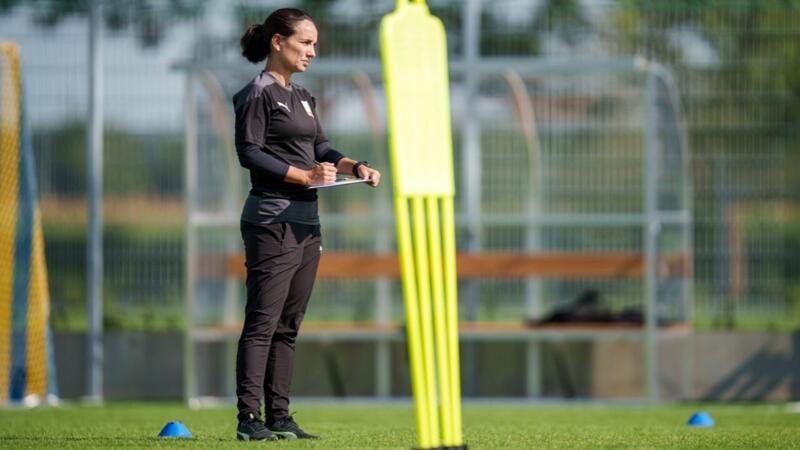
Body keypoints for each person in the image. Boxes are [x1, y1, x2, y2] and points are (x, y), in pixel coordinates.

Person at [232, 7, 381, 442]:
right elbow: (250, 152)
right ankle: (249, 420)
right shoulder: (256, 93)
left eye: (315, 44)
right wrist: (304, 176)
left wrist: (358, 166)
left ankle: (280, 417)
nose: (313, 51)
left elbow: (322, 147)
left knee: (288, 325)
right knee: (262, 321)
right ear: (278, 42)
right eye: (305, 42)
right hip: (272, 220)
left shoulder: (302, 96)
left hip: (306, 223)